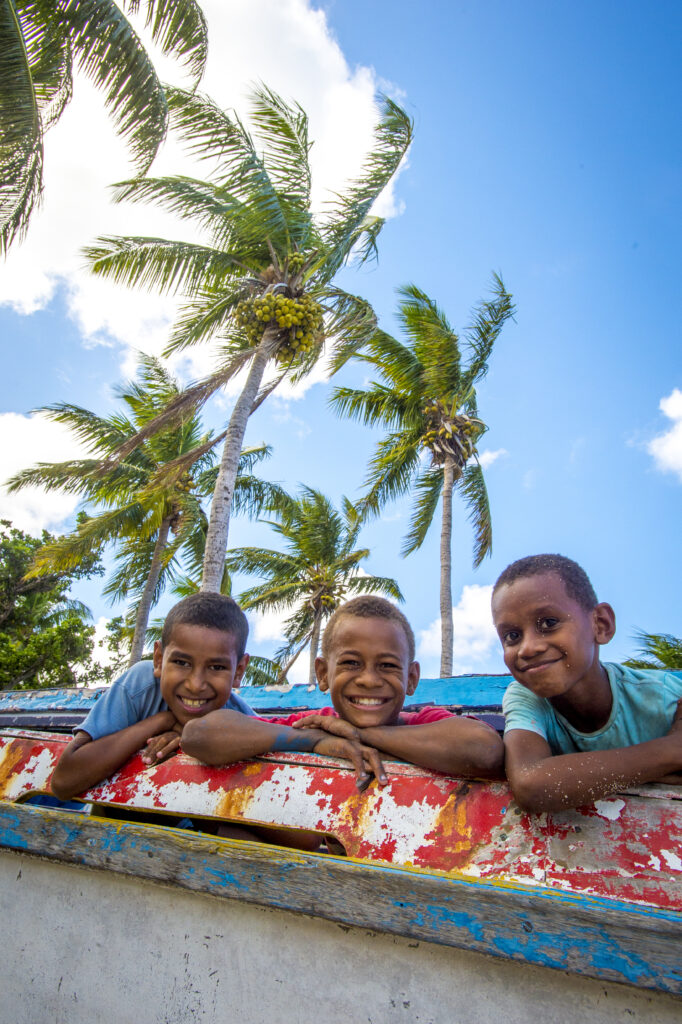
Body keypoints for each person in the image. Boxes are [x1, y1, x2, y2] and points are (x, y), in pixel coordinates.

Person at [182, 595, 504, 789]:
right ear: (323, 674)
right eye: (351, 663)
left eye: (388, 666)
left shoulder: (425, 723)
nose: (368, 680)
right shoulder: (313, 725)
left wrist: (356, 736)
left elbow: (485, 750)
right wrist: (318, 741)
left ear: (411, 677)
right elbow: (200, 735)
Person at [491, 553, 682, 813]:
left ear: (600, 624)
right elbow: (532, 785)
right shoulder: (526, 697)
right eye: (512, 636)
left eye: (548, 623)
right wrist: (670, 752)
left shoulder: (664, 696)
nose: (528, 648)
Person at [50, 593, 254, 801]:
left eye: (216, 667)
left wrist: (186, 743)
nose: (195, 685)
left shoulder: (243, 720)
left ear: (238, 671)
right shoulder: (141, 685)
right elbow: (63, 782)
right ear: (158, 659)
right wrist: (162, 721)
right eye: (182, 663)